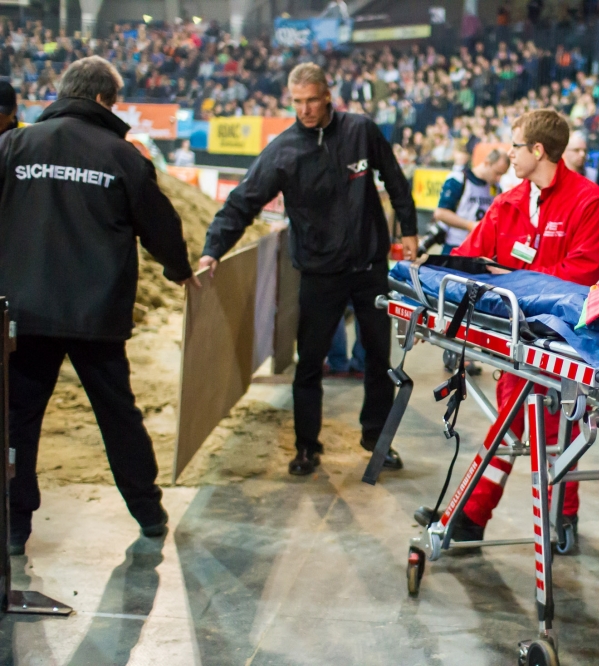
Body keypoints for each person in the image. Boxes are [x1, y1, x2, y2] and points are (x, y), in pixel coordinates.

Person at [0, 56, 197, 555]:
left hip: (25, 313)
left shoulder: (14, 147)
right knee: (117, 415)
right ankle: (148, 512)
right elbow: (161, 226)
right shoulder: (123, 157)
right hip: (97, 315)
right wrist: (179, 270)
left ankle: (13, 528)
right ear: (104, 100)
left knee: (17, 420)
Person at [200, 63, 418, 476]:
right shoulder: (283, 151)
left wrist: (409, 229)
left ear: (328, 95)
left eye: (312, 100)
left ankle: (377, 440)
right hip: (320, 275)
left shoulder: (361, 130)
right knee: (309, 364)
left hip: (369, 268)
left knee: (379, 360)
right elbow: (242, 203)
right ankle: (306, 446)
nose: (305, 110)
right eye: (297, 102)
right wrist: (213, 250)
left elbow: (394, 178)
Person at [447, 109, 599, 546]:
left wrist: (513, 278)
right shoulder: (507, 203)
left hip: (566, 343)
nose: (509, 153)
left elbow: (580, 277)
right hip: (516, 340)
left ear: (538, 150)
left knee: (560, 430)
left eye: (515, 145)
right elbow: (471, 257)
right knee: (511, 424)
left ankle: (557, 518)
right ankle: (478, 516)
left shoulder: (589, 202)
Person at [433, 148, 509, 254]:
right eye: (497, 173)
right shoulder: (459, 179)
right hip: (455, 245)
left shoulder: (496, 188)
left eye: (502, 175)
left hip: (480, 247)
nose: (498, 178)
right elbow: (441, 213)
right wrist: (470, 225)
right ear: (487, 163)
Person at [563, 130, 599, 206]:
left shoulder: (594, 176)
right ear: (564, 152)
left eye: (585, 150)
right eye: (576, 150)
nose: (582, 154)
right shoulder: (555, 176)